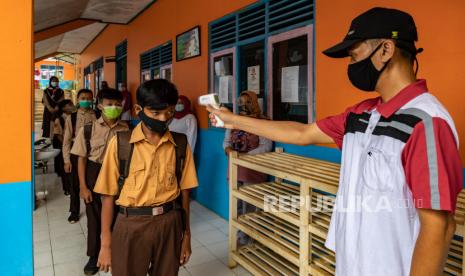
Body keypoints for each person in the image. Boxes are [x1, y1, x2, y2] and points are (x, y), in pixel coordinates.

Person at [207, 7, 463, 276]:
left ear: (386, 50)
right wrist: (232, 120)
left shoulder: (426, 122)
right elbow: (302, 134)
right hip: (352, 263)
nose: (351, 65)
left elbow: (439, 227)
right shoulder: (361, 115)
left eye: (355, 55)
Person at [94, 79, 198, 276]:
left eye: (168, 112)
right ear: (138, 109)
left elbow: (185, 194)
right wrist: (106, 244)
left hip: (169, 223)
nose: (163, 118)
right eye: (155, 112)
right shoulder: (121, 144)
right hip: (130, 225)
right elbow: (107, 196)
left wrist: (186, 236)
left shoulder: (181, 144)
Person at [70, 88, 128, 275]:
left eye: (118, 104)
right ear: (100, 105)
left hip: (119, 176)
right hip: (94, 174)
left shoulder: (128, 129)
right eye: (110, 104)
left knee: (119, 217)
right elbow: (81, 159)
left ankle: (115, 251)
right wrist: (83, 187)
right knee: (94, 219)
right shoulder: (88, 129)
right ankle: (94, 256)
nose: (114, 108)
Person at [223, 91, 272, 245]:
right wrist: (229, 150)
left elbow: (266, 146)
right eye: (241, 103)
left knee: (250, 207)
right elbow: (225, 142)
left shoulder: (262, 122)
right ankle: (240, 237)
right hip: (234, 168)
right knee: (236, 206)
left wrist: (244, 157)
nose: (243, 106)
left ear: (254, 103)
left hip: (253, 171)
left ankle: (249, 239)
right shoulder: (234, 121)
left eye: (247, 103)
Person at [63, 89, 97, 223]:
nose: (86, 101)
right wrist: (67, 160)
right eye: (83, 98)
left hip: (92, 154)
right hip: (76, 154)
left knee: (91, 183)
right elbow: (66, 141)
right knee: (74, 184)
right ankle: (74, 211)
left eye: (89, 98)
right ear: (77, 100)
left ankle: (92, 210)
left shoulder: (97, 114)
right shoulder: (71, 117)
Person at [52, 99, 76, 196]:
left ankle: (72, 186)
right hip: (62, 145)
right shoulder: (60, 119)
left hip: (71, 145)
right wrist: (67, 146)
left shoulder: (73, 117)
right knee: (65, 168)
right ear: (64, 108)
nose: (72, 106)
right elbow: (58, 135)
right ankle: (67, 188)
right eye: (70, 104)